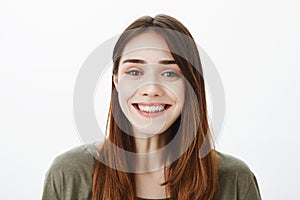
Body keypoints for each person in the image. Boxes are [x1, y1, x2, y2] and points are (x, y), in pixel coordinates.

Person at [42, 14, 262, 200]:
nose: (151, 89)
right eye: (135, 72)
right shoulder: (70, 175)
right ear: (116, 80)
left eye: (169, 73)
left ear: (191, 86)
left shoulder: (234, 181)